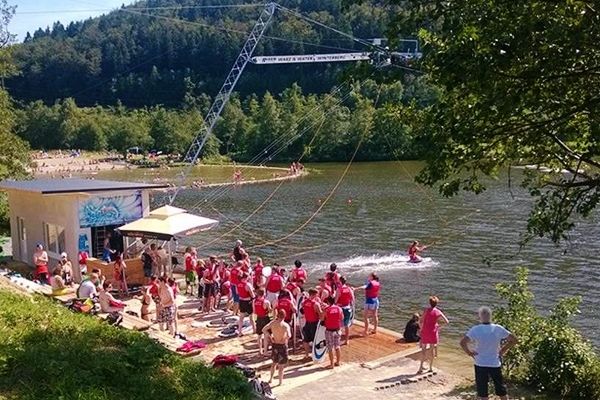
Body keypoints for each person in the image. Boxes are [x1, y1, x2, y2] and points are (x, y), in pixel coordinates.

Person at [460, 306, 518, 400]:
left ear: (480, 317)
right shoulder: (498, 328)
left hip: (480, 363)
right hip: (494, 363)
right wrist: (503, 349)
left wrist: (469, 353)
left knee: (483, 392)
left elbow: (462, 343)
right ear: (491, 316)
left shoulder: (476, 329)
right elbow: (514, 340)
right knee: (501, 389)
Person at [418, 296, 449, 374]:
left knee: (423, 350)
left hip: (425, 331)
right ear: (436, 303)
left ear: (430, 303)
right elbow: (447, 321)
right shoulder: (438, 312)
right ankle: (430, 368)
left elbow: (420, 321)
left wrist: (421, 329)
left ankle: (420, 368)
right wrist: (439, 327)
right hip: (433, 332)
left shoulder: (426, 311)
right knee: (431, 350)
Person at [262, 309, 291, 386]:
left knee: (274, 363)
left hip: (275, 344)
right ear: (284, 316)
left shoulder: (273, 323)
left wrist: (270, 337)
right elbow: (289, 335)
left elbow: (264, 329)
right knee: (281, 366)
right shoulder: (285, 325)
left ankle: (271, 379)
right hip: (282, 345)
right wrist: (284, 339)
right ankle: (280, 382)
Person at [301, 288, 323, 359]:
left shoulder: (304, 302)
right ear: (314, 295)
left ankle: (307, 355)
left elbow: (303, 311)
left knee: (306, 340)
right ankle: (315, 355)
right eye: (316, 295)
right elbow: (320, 314)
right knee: (315, 339)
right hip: (314, 324)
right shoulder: (316, 304)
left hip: (307, 322)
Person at [323, 296, 343, 369]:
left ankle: (332, 364)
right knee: (337, 346)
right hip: (337, 329)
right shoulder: (339, 308)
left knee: (330, 347)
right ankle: (338, 362)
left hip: (329, 330)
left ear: (328, 302)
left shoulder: (327, 309)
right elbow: (342, 318)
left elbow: (322, 318)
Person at [335, 276, 354, 345]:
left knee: (339, 325)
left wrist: (335, 304)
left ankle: (338, 340)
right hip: (348, 308)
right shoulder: (349, 289)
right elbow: (352, 299)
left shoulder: (339, 289)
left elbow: (336, 300)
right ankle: (347, 340)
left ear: (340, 281)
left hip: (341, 308)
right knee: (346, 325)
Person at [253, 288, 272, 356]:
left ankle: (260, 350)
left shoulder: (254, 301)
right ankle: (265, 351)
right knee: (266, 335)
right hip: (265, 318)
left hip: (258, 318)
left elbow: (254, 311)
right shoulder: (266, 302)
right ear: (264, 293)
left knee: (259, 335)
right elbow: (270, 311)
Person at [236, 272, 255, 336]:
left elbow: (237, 292)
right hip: (248, 301)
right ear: (246, 277)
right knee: (251, 317)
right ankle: (254, 330)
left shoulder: (238, 284)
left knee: (241, 317)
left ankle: (240, 332)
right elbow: (252, 295)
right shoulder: (247, 285)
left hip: (241, 300)